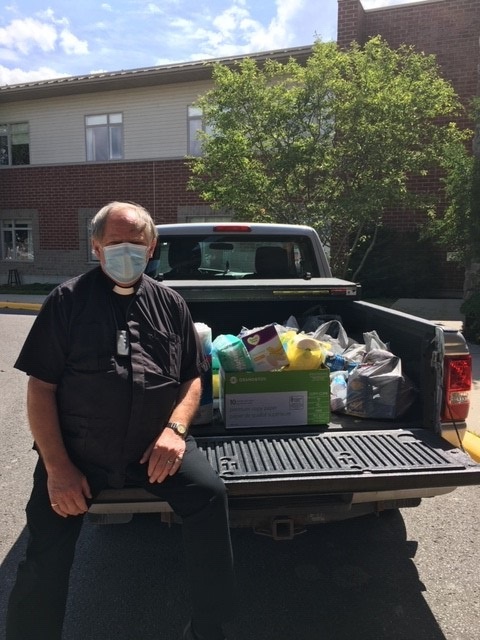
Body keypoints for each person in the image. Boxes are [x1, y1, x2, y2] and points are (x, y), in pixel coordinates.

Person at [6, 201, 235, 640]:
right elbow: (41, 388)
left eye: (136, 242)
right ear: (96, 247)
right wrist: (58, 468)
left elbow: (192, 378)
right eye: (115, 243)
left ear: (151, 247)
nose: (126, 251)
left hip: (154, 448)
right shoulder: (66, 302)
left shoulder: (171, 304)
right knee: (44, 559)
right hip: (80, 451)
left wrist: (176, 431)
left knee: (210, 496)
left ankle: (209, 627)